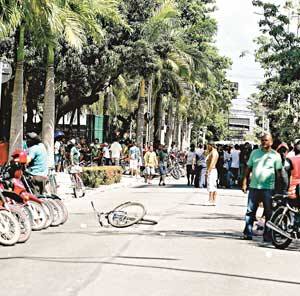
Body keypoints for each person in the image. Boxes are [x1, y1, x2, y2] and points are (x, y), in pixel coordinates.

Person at [242, 134, 282, 241]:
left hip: (268, 188)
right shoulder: (254, 153)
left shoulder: (275, 155)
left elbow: (278, 173)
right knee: (250, 211)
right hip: (254, 187)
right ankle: (248, 232)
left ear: (271, 142)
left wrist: (278, 189)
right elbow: (248, 168)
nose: (264, 142)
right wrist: (244, 182)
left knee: (269, 212)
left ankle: (268, 234)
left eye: (266, 140)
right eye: (262, 140)